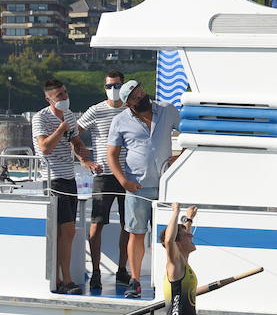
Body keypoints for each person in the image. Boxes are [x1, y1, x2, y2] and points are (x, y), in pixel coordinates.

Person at [106, 80, 181, 300]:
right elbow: (112, 154)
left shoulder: (167, 110)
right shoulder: (120, 121)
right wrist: (123, 181)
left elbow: (189, 133)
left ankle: (168, 279)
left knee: (170, 236)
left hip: (167, 185)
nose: (141, 97)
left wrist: (182, 155)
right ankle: (136, 281)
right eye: (136, 98)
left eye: (141, 92)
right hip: (136, 186)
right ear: (128, 104)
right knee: (136, 234)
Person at [31, 79, 99, 294]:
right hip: (53, 179)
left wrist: (85, 158)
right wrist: (61, 129)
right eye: (59, 95)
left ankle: (62, 277)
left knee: (66, 232)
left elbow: (75, 141)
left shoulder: (69, 115)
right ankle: (64, 279)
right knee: (67, 230)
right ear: (48, 99)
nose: (64, 98)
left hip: (70, 178)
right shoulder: (40, 118)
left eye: (64, 93)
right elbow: (44, 147)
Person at [76, 69, 132, 294]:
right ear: (104, 87)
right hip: (103, 175)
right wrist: (84, 160)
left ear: (123, 85)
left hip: (129, 175)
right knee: (97, 223)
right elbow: (74, 133)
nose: (113, 90)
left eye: (117, 85)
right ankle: (96, 272)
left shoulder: (132, 108)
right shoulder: (96, 110)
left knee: (129, 224)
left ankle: (122, 270)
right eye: (109, 86)